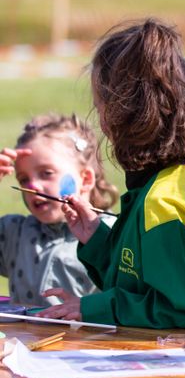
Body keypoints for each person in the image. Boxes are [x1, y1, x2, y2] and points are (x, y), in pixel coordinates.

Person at [38, 19, 185, 331]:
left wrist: (91, 307)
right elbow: (139, 278)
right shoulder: (159, 184)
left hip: (173, 371)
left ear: (122, 114)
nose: (99, 121)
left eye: (99, 106)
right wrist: (99, 240)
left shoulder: (163, 202)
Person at [0, 113, 118, 307]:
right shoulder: (14, 232)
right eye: (23, 179)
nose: (32, 186)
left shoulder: (112, 235)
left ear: (86, 179)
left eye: (46, 173)